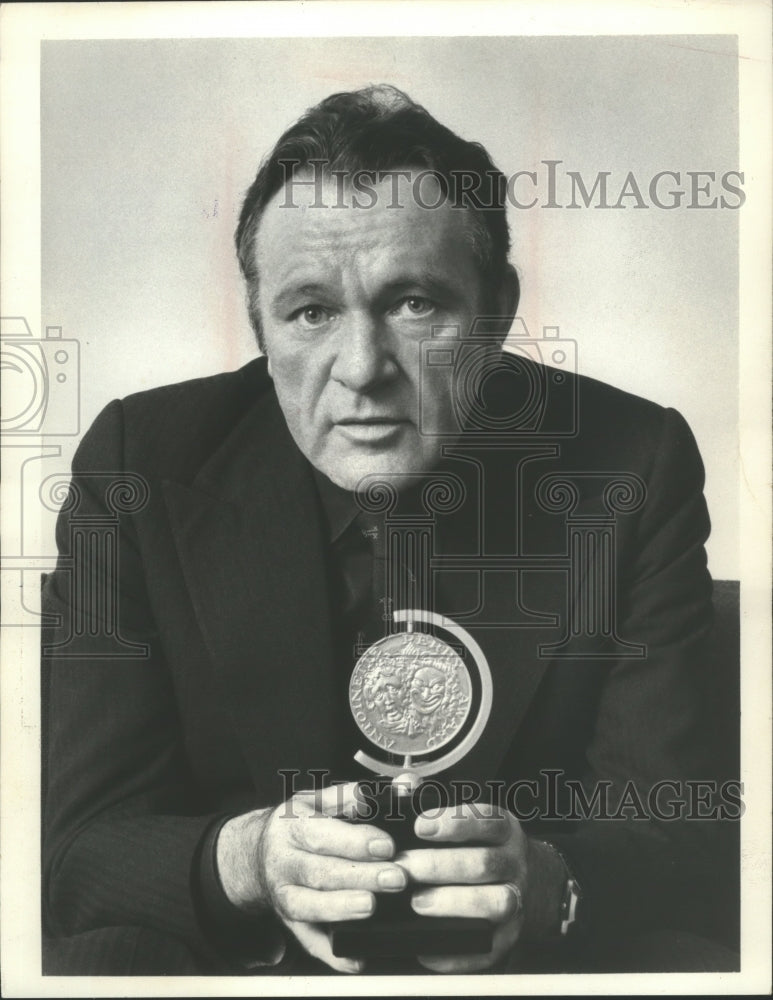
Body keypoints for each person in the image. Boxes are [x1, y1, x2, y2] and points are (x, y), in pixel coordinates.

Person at [41, 85, 738, 976]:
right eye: (311, 312)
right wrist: (249, 860)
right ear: (259, 320)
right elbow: (78, 855)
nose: (361, 370)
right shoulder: (138, 465)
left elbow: (681, 838)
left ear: (495, 310)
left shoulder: (629, 466)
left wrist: (549, 882)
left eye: (412, 303)